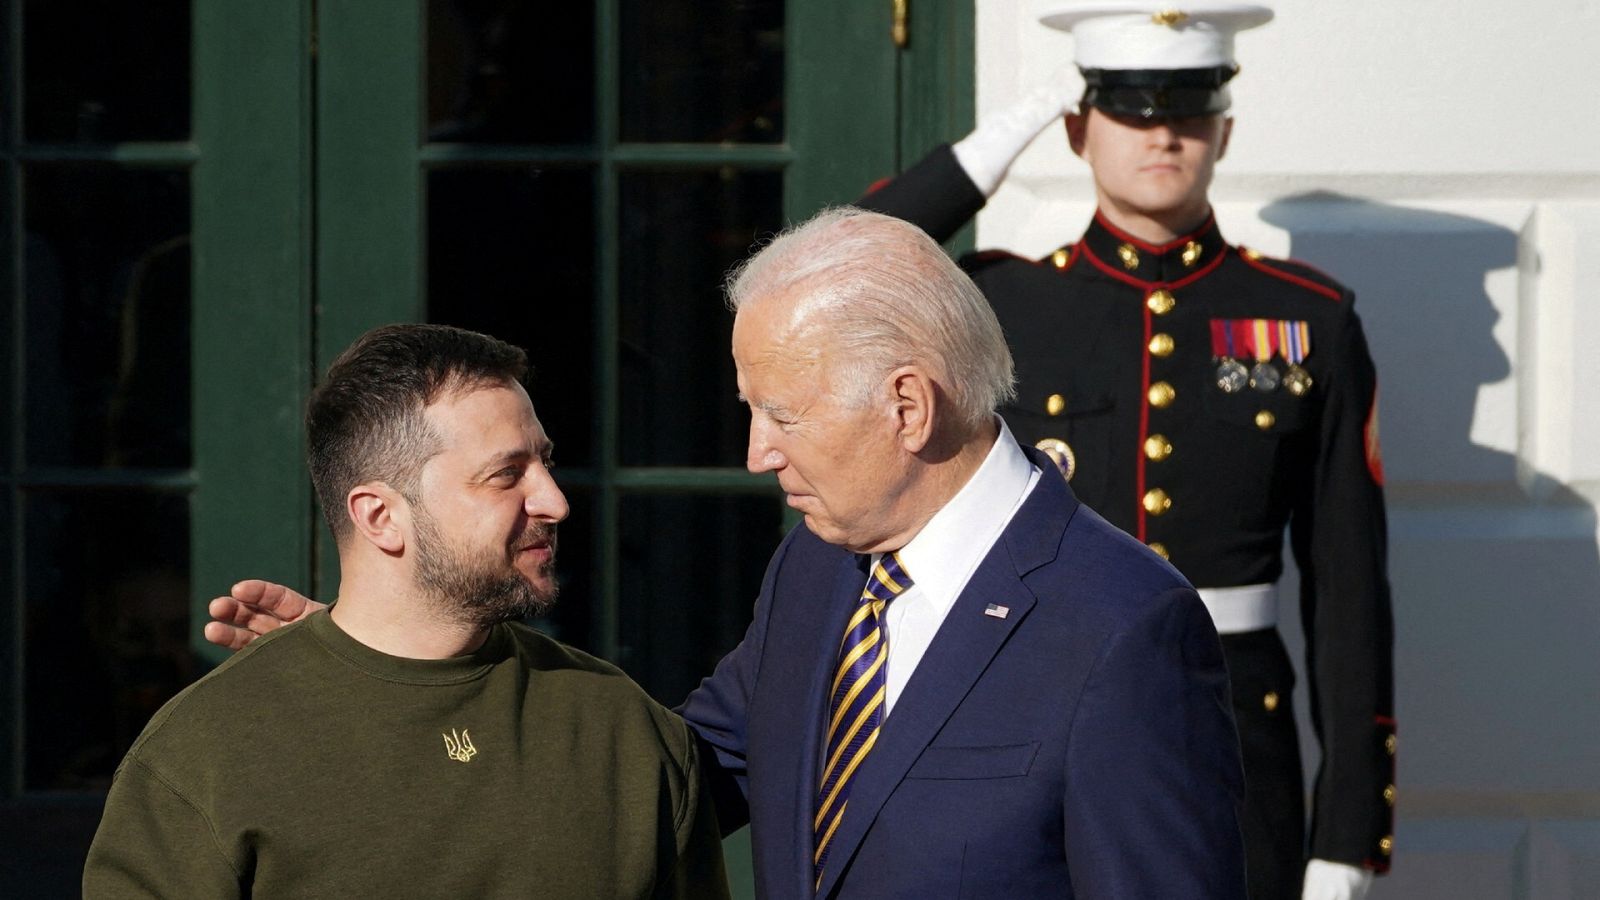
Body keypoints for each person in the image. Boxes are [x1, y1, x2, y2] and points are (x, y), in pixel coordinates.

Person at [208, 209, 1248, 898]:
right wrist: (388, 673)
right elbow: (663, 781)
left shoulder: (1123, 630)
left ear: (907, 406)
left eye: (779, 415)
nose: (756, 453)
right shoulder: (819, 568)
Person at [854, 4, 1396, 899]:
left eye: (1187, 111)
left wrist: (1347, 833)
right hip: (1027, 719)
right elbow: (850, 260)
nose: (1163, 135)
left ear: (1224, 128)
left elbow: (1350, 593)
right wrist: (994, 146)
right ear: (1079, 128)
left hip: (1229, 737)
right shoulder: (1003, 304)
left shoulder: (1309, 319)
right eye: (1133, 110)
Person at [85, 324, 728, 899]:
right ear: (381, 516)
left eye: (546, 464)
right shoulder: (202, 756)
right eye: (507, 475)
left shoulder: (624, 727)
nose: (554, 501)